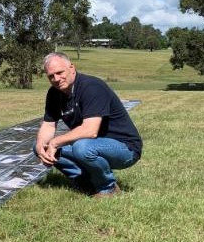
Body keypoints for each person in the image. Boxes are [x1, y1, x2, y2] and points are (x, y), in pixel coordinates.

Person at [34, 52, 142, 197]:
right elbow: (48, 125)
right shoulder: (54, 93)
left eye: (60, 73)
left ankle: (108, 188)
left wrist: (55, 142)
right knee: (40, 146)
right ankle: (84, 181)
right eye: (51, 76)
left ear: (72, 68)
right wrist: (42, 146)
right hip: (92, 144)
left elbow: (90, 131)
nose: (56, 79)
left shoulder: (92, 87)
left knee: (82, 147)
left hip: (124, 148)